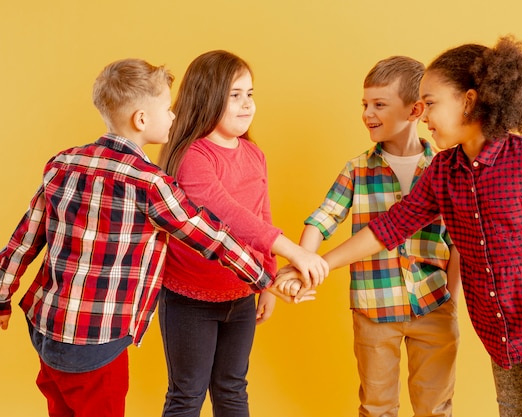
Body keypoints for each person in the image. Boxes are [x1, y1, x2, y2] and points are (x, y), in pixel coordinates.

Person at [277, 36, 522, 417]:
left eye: (430, 104)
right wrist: (316, 264)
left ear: (470, 101)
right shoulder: (442, 173)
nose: (423, 116)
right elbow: (387, 229)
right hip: (503, 329)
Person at [0, 58, 320, 417]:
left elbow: (23, 239)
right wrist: (266, 278)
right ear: (141, 119)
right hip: (99, 334)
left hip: (46, 327)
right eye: (167, 109)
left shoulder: (63, 163)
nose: (173, 116)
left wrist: (1, 295)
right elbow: (212, 236)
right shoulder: (150, 183)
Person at [279, 56, 461, 417]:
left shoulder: (444, 168)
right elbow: (321, 220)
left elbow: (457, 243)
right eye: (365, 104)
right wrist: (302, 263)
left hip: (434, 306)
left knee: (436, 406)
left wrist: (451, 302)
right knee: (376, 406)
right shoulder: (357, 170)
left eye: (379, 104)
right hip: (373, 311)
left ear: (415, 110)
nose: (367, 113)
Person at [156, 50, 324, 417]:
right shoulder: (192, 156)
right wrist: (296, 252)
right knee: (187, 395)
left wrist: (266, 283)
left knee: (232, 389)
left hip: (241, 295)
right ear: (207, 96)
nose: (247, 104)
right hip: (189, 299)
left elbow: (261, 215)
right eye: (235, 95)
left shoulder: (254, 153)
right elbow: (228, 216)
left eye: (250, 94)